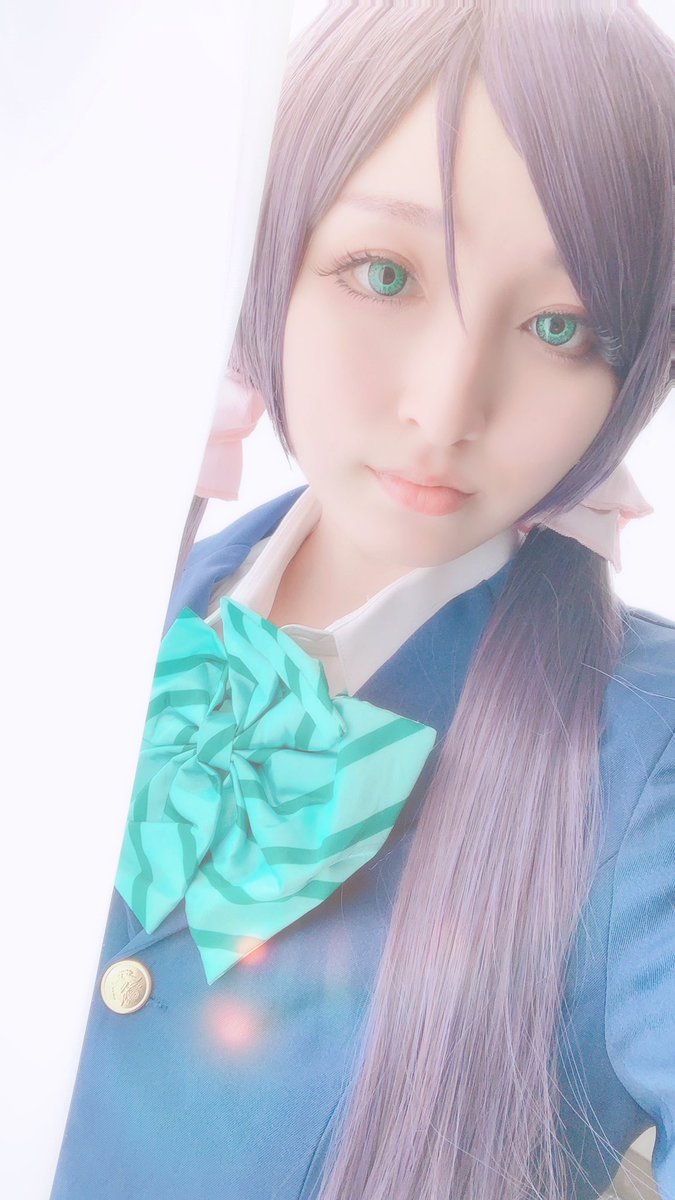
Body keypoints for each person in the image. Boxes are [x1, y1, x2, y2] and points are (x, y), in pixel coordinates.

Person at [49, 2, 675, 1198]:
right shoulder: (79, 600)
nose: (445, 407)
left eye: (559, 326)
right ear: (267, 255)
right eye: (384, 274)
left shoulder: (646, 754)